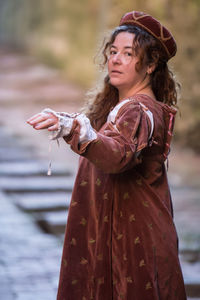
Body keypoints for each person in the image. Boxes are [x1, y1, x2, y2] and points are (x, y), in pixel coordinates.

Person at [27, 10, 187, 300]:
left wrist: (70, 127)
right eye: (113, 51)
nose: (115, 59)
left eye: (128, 53)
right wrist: (66, 122)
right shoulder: (121, 107)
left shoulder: (140, 110)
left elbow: (117, 153)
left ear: (150, 65)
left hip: (134, 240)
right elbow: (104, 139)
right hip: (116, 233)